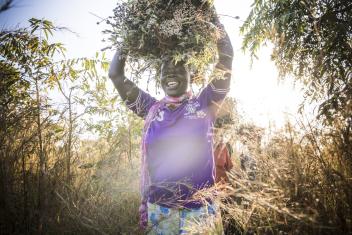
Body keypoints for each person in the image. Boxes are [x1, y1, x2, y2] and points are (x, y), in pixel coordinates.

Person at [108, 12, 233, 234]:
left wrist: (213, 21)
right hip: (161, 212)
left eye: (178, 67)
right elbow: (116, 74)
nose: (171, 72)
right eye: (165, 70)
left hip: (201, 211)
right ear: (160, 78)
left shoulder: (204, 103)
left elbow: (226, 59)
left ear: (190, 74)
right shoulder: (150, 109)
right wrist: (128, 35)